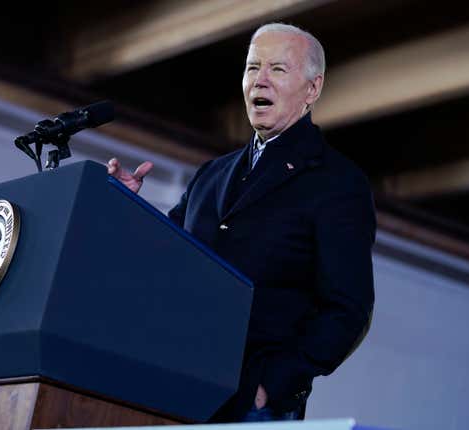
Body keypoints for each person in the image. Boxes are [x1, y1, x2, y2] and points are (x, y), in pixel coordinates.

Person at [107, 23, 376, 423]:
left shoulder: (337, 182)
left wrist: (274, 387)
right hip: (172, 385)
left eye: (277, 70)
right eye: (252, 68)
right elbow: (168, 257)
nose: (259, 80)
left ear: (312, 89)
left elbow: (349, 308)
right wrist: (126, 207)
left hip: (251, 403)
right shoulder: (212, 174)